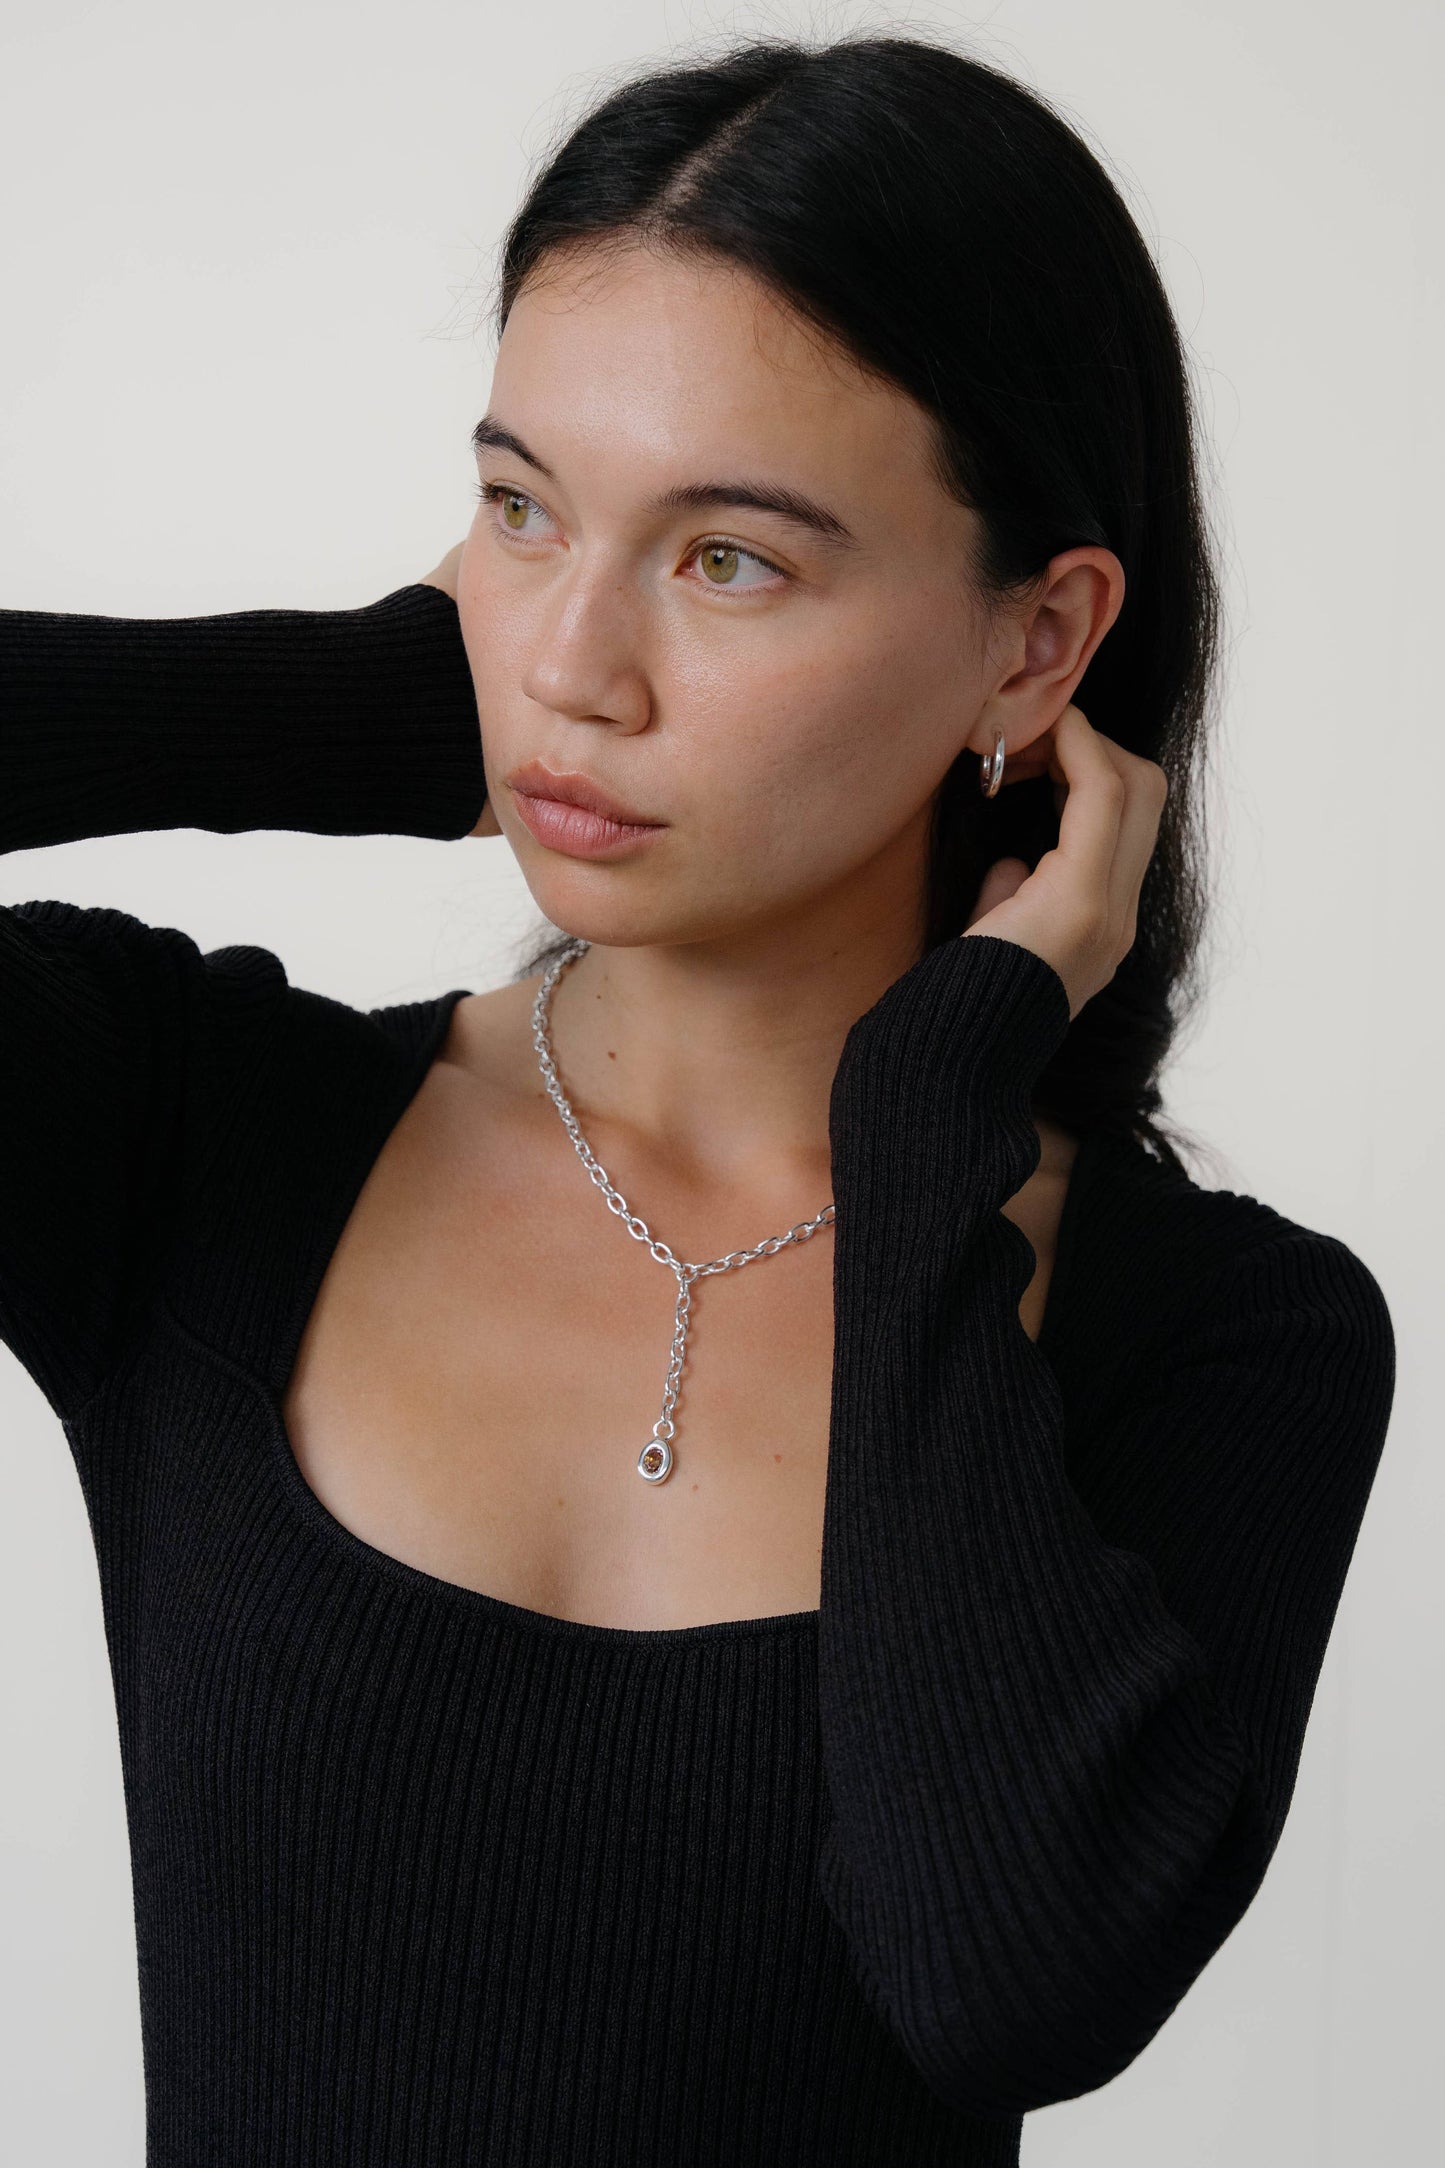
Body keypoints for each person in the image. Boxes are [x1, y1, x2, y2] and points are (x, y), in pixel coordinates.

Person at [0, 32, 1395, 2168]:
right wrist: (349, 709)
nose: (574, 664)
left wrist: (932, 1109)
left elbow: (1002, 1975)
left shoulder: (1224, 1341)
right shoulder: (187, 1135)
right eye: (523, 508)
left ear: (1038, 648)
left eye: (727, 557)